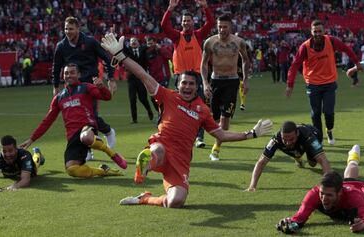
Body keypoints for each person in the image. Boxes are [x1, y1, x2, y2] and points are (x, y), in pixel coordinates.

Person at [101, 33, 272, 208]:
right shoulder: (167, 96)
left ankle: (144, 198)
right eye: (184, 83)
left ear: (196, 87)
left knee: (175, 201)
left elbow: (221, 134)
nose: (187, 87)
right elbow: (142, 75)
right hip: (162, 145)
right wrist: (121, 56)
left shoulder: (203, 110)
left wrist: (251, 134)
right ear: (178, 85)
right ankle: (145, 166)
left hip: (181, 159)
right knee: (157, 150)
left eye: (191, 84)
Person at [20, 63, 127, 178]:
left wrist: (101, 87)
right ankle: (103, 170)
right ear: (63, 76)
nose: (69, 75)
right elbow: (47, 121)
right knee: (72, 169)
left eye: (72, 72)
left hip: (88, 127)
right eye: (66, 73)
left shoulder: (86, 87)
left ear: (79, 74)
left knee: (85, 137)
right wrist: (32, 139)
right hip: (72, 136)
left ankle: (111, 153)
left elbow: (107, 97)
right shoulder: (59, 97)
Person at [277, 145, 364, 234]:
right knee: (349, 178)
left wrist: (363, 224)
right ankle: (353, 157)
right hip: (345, 184)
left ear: (339, 193)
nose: (324, 198)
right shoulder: (314, 193)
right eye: (322, 193)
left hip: (362, 190)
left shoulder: (355, 196)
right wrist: (290, 223)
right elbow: (300, 217)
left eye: (329, 195)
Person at [286, 20, 361, 145]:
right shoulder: (305, 47)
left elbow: (346, 49)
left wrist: (357, 63)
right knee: (315, 114)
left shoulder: (331, 41)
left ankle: (329, 130)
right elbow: (294, 65)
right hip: (313, 84)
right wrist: (290, 85)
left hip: (329, 83)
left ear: (324, 31)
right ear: (311, 32)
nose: (318, 34)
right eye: (315, 31)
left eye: (320, 31)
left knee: (328, 112)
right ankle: (318, 138)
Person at [52, 16, 116, 160]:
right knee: (78, 116)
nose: (68, 31)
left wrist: (110, 78)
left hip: (90, 84)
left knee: (90, 115)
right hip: (72, 86)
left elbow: (106, 58)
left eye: (71, 28)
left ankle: (104, 135)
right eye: (66, 28)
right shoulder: (61, 46)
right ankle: (92, 145)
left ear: (78, 28)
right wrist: (55, 86)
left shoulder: (90, 41)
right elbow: (56, 67)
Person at [161, 0, 215, 148]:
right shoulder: (176, 37)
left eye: (189, 20)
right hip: (180, 77)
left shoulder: (198, 35)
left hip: (197, 76)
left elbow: (210, 23)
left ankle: (199, 137)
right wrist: (170, 8)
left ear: (193, 22)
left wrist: (205, 7)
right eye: (184, 20)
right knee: (179, 107)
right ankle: (180, 135)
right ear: (181, 22)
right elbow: (164, 26)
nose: (186, 23)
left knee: (200, 107)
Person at [201, 14, 250, 161]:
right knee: (215, 118)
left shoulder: (239, 42)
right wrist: (205, 82)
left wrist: (245, 80)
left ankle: (216, 149)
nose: (222, 30)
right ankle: (218, 139)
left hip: (232, 81)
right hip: (215, 81)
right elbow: (203, 64)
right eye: (219, 27)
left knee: (225, 119)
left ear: (230, 27)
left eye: (225, 27)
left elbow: (246, 60)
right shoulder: (210, 42)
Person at [245, 121, 331, 192]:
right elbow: (261, 161)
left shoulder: (308, 136)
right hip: (298, 145)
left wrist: (327, 185)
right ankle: (297, 156)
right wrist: (252, 186)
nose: (288, 142)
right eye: (284, 139)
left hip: (314, 134)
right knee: (293, 149)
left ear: (297, 133)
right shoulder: (276, 139)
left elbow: (323, 160)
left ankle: (298, 155)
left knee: (312, 163)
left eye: (291, 139)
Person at [123, 37, 154, 123]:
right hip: (131, 79)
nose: (133, 42)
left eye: (135, 40)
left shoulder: (143, 49)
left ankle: (149, 111)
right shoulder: (127, 51)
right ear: (129, 44)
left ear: (138, 43)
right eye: (131, 41)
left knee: (143, 98)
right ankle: (134, 119)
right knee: (132, 99)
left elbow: (149, 46)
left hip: (141, 77)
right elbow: (121, 47)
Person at [144, 36, 173, 111]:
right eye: (148, 43)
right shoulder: (146, 53)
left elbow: (169, 56)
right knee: (153, 98)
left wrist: (160, 49)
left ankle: (165, 114)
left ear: (155, 43)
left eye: (151, 43)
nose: (150, 45)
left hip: (164, 77)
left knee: (161, 97)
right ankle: (161, 113)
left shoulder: (161, 50)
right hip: (153, 78)